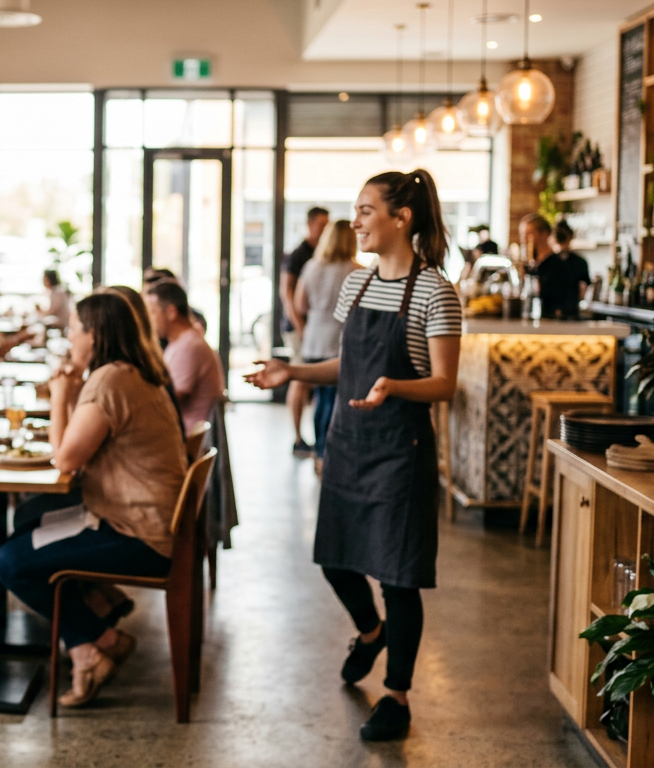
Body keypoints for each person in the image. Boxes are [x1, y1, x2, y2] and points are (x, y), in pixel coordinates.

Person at [245, 169, 462, 742]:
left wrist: (395, 385)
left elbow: (444, 384)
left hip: (400, 450)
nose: (356, 221)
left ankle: (396, 696)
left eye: (366, 210)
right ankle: (370, 633)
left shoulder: (437, 291)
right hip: (347, 443)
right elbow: (348, 368)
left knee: (399, 578)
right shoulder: (357, 285)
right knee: (335, 558)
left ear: (401, 218)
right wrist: (291, 369)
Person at [0, 292, 187, 708]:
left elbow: (64, 459)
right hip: (147, 518)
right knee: (29, 517)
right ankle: (100, 603)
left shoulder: (110, 380)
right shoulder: (131, 372)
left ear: (94, 335)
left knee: (9, 562)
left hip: (140, 534)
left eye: (73, 331)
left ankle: (95, 644)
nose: (69, 338)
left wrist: (62, 393)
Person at [293, 220, 360, 474]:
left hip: (314, 338)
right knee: (332, 400)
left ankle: (319, 449)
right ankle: (325, 450)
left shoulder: (311, 267)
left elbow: (300, 305)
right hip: (338, 340)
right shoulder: (356, 271)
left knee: (319, 398)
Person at [280, 207, 330, 458]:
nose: (324, 229)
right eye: (321, 224)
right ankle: (298, 437)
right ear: (310, 224)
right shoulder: (300, 255)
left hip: (313, 329)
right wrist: (301, 328)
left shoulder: (321, 253)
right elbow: (287, 294)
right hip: (299, 327)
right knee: (300, 379)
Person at [144, 281, 223, 432]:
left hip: (184, 438)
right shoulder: (181, 342)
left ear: (171, 313)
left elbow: (169, 401)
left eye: (152, 312)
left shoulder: (189, 346)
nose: (149, 320)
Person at [532, 219, 592, 320]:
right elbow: (583, 292)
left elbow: (537, 289)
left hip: (566, 313)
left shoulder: (546, 262)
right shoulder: (579, 262)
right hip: (553, 313)